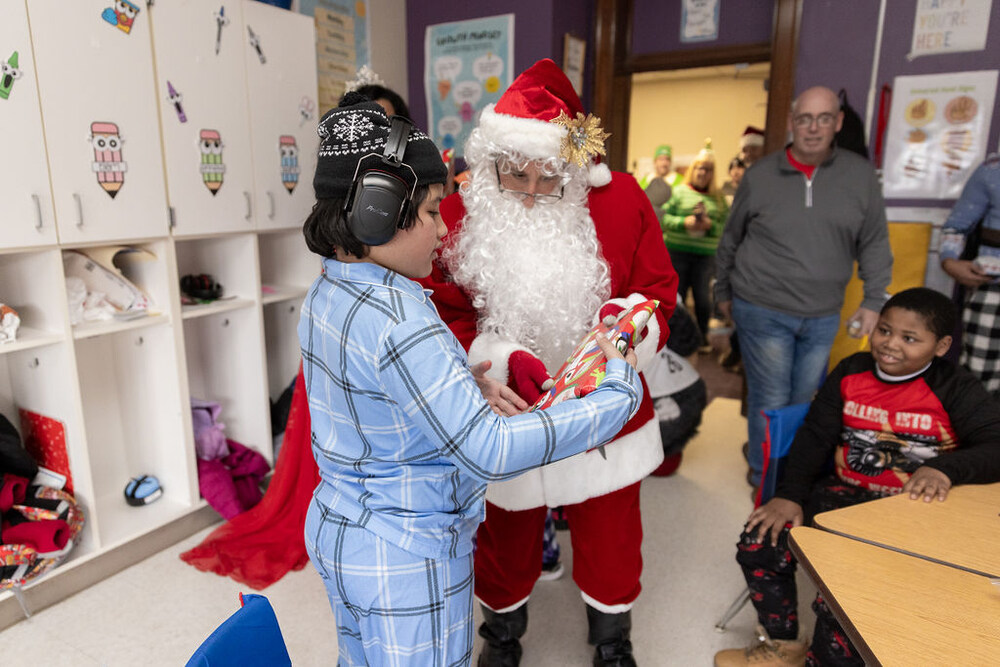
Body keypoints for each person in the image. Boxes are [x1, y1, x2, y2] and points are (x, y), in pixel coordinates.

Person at [299, 94, 644, 666]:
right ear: (377, 212)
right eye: (433, 211)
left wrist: (459, 386)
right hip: (407, 559)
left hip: (344, 531)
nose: (442, 231)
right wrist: (616, 393)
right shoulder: (403, 320)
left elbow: (374, 394)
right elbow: (491, 450)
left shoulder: (328, 290)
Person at [419, 59, 678, 666]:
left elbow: (657, 295)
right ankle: (502, 637)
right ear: (491, 163)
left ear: (577, 170)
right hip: (507, 407)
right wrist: (496, 357)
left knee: (611, 532)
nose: (532, 193)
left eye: (550, 177)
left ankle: (613, 640)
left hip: (603, 407)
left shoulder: (623, 204)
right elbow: (442, 313)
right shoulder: (458, 215)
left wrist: (622, 334)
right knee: (501, 533)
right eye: (516, 175)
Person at [713, 287, 1000, 667]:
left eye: (909, 338)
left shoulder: (956, 388)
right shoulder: (851, 371)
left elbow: (995, 446)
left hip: (910, 511)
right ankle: (783, 644)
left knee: (845, 591)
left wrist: (944, 468)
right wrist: (790, 494)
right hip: (842, 494)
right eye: (884, 330)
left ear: (942, 345)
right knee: (758, 540)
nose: (890, 345)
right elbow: (815, 437)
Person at [715, 85, 893, 488]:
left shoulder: (859, 176)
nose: (813, 128)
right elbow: (731, 238)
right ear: (792, 122)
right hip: (761, 304)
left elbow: (875, 240)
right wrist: (721, 294)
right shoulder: (760, 175)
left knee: (803, 400)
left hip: (823, 313)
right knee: (773, 397)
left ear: (839, 123)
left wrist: (873, 299)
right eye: (805, 119)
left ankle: (786, 468)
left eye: (824, 118)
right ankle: (768, 481)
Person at [938, 153, 1000, 398]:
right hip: (992, 287)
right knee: (978, 378)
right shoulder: (992, 170)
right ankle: (978, 435)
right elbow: (956, 225)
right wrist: (949, 261)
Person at [661, 140, 729, 350]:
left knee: (702, 297)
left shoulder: (719, 199)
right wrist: (684, 222)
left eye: (708, 170)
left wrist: (709, 225)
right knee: (676, 296)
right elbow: (662, 217)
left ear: (712, 173)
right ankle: (671, 339)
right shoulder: (678, 192)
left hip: (704, 256)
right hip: (677, 252)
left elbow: (726, 227)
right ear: (693, 169)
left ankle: (703, 338)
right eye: (699, 168)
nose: (703, 173)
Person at [638, 144, 680, 208]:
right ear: (655, 162)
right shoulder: (645, 180)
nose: (664, 163)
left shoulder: (679, 180)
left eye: (667, 159)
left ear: (670, 162)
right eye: (661, 159)